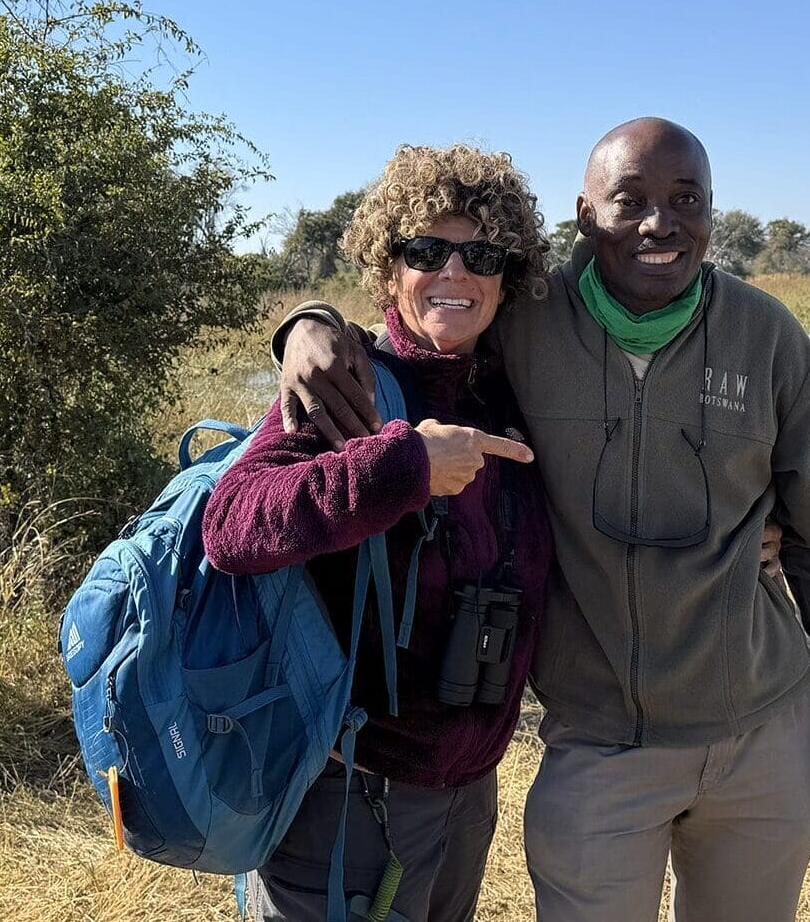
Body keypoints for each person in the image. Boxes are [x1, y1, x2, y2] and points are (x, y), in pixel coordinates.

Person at [274, 118, 810, 921]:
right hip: (597, 741)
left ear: (711, 211)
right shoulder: (524, 322)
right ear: (584, 216)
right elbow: (423, 323)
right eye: (630, 200)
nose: (660, 223)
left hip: (763, 733)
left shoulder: (768, 339)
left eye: (684, 199)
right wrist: (304, 323)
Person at [202, 143, 554, 922]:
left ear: (509, 273)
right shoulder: (348, 381)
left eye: (482, 253)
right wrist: (403, 467)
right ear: (388, 266)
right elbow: (231, 525)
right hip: (348, 793)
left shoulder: (512, 383)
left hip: (465, 791)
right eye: (426, 249)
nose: (455, 273)